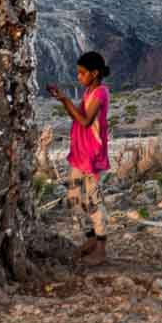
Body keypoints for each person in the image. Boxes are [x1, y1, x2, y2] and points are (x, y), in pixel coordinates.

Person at [45, 51, 111, 266]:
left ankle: (101, 248)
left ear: (95, 73)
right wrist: (64, 100)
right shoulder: (88, 91)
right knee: (74, 199)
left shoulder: (100, 93)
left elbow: (84, 120)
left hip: (92, 155)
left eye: (82, 73)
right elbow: (78, 117)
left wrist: (65, 100)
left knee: (93, 200)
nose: (79, 77)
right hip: (79, 154)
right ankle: (91, 239)